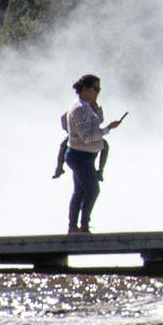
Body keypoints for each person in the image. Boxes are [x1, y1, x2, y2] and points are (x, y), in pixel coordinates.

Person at [53, 74, 121, 234]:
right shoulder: (80, 108)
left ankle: (73, 227)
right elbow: (87, 136)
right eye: (95, 89)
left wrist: (97, 109)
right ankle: (83, 226)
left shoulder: (85, 106)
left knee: (80, 191)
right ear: (85, 89)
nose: (97, 92)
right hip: (80, 156)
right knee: (92, 190)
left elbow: (94, 121)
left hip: (86, 156)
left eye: (99, 89)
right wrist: (108, 129)